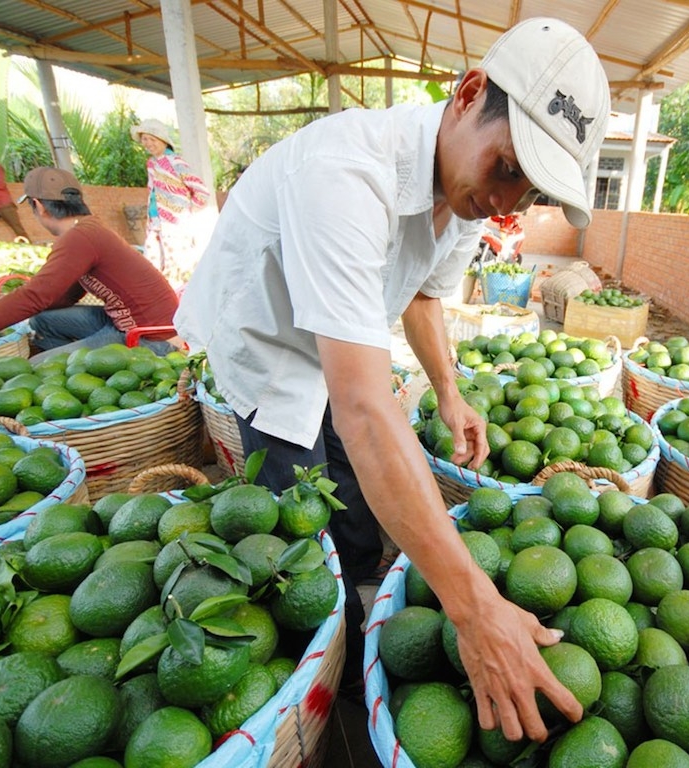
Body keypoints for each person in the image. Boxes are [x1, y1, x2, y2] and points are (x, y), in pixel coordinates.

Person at [176, 18, 609, 742]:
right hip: (270, 342)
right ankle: (330, 669)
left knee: (354, 500)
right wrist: (476, 613)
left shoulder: (466, 194)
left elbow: (424, 295)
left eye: (531, 192)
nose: (509, 202)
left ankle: (354, 608)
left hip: (342, 344)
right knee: (298, 524)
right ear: (468, 95)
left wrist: (450, 392)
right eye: (509, 168)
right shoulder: (345, 176)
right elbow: (365, 410)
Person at [0, 167, 181, 361]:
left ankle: (84, 372)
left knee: (35, 369)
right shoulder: (88, 228)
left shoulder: (80, 237)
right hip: (126, 322)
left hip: (147, 337)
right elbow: (61, 296)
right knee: (42, 321)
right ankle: (78, 366)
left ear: (38, 206)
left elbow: (34, 297)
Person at [131, 119, 211, 286]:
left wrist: (185, 213)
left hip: (175, 225)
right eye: (145, 139)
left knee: (177, 269)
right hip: (155, 222)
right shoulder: (151, 164)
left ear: (163, 140)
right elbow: (153, 192)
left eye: (152, 139)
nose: (148, 143)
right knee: (153, 266)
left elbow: (201, 192)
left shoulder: (176, 162)